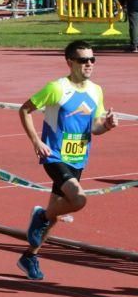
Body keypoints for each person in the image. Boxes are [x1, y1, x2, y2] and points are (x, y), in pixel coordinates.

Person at [17, 40, 118, 280]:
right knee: (78, 199)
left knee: (55, 215)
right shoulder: (57, 88)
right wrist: (36, 142)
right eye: (84, 60)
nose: (89, 64)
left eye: (92, 59)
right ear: (70, 62)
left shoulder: (96, 90)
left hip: (78, 158)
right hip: (54, 155)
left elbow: (94, 127)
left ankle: (29, 255)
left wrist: (107, 125)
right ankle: (40, 216)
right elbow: (24, 110)